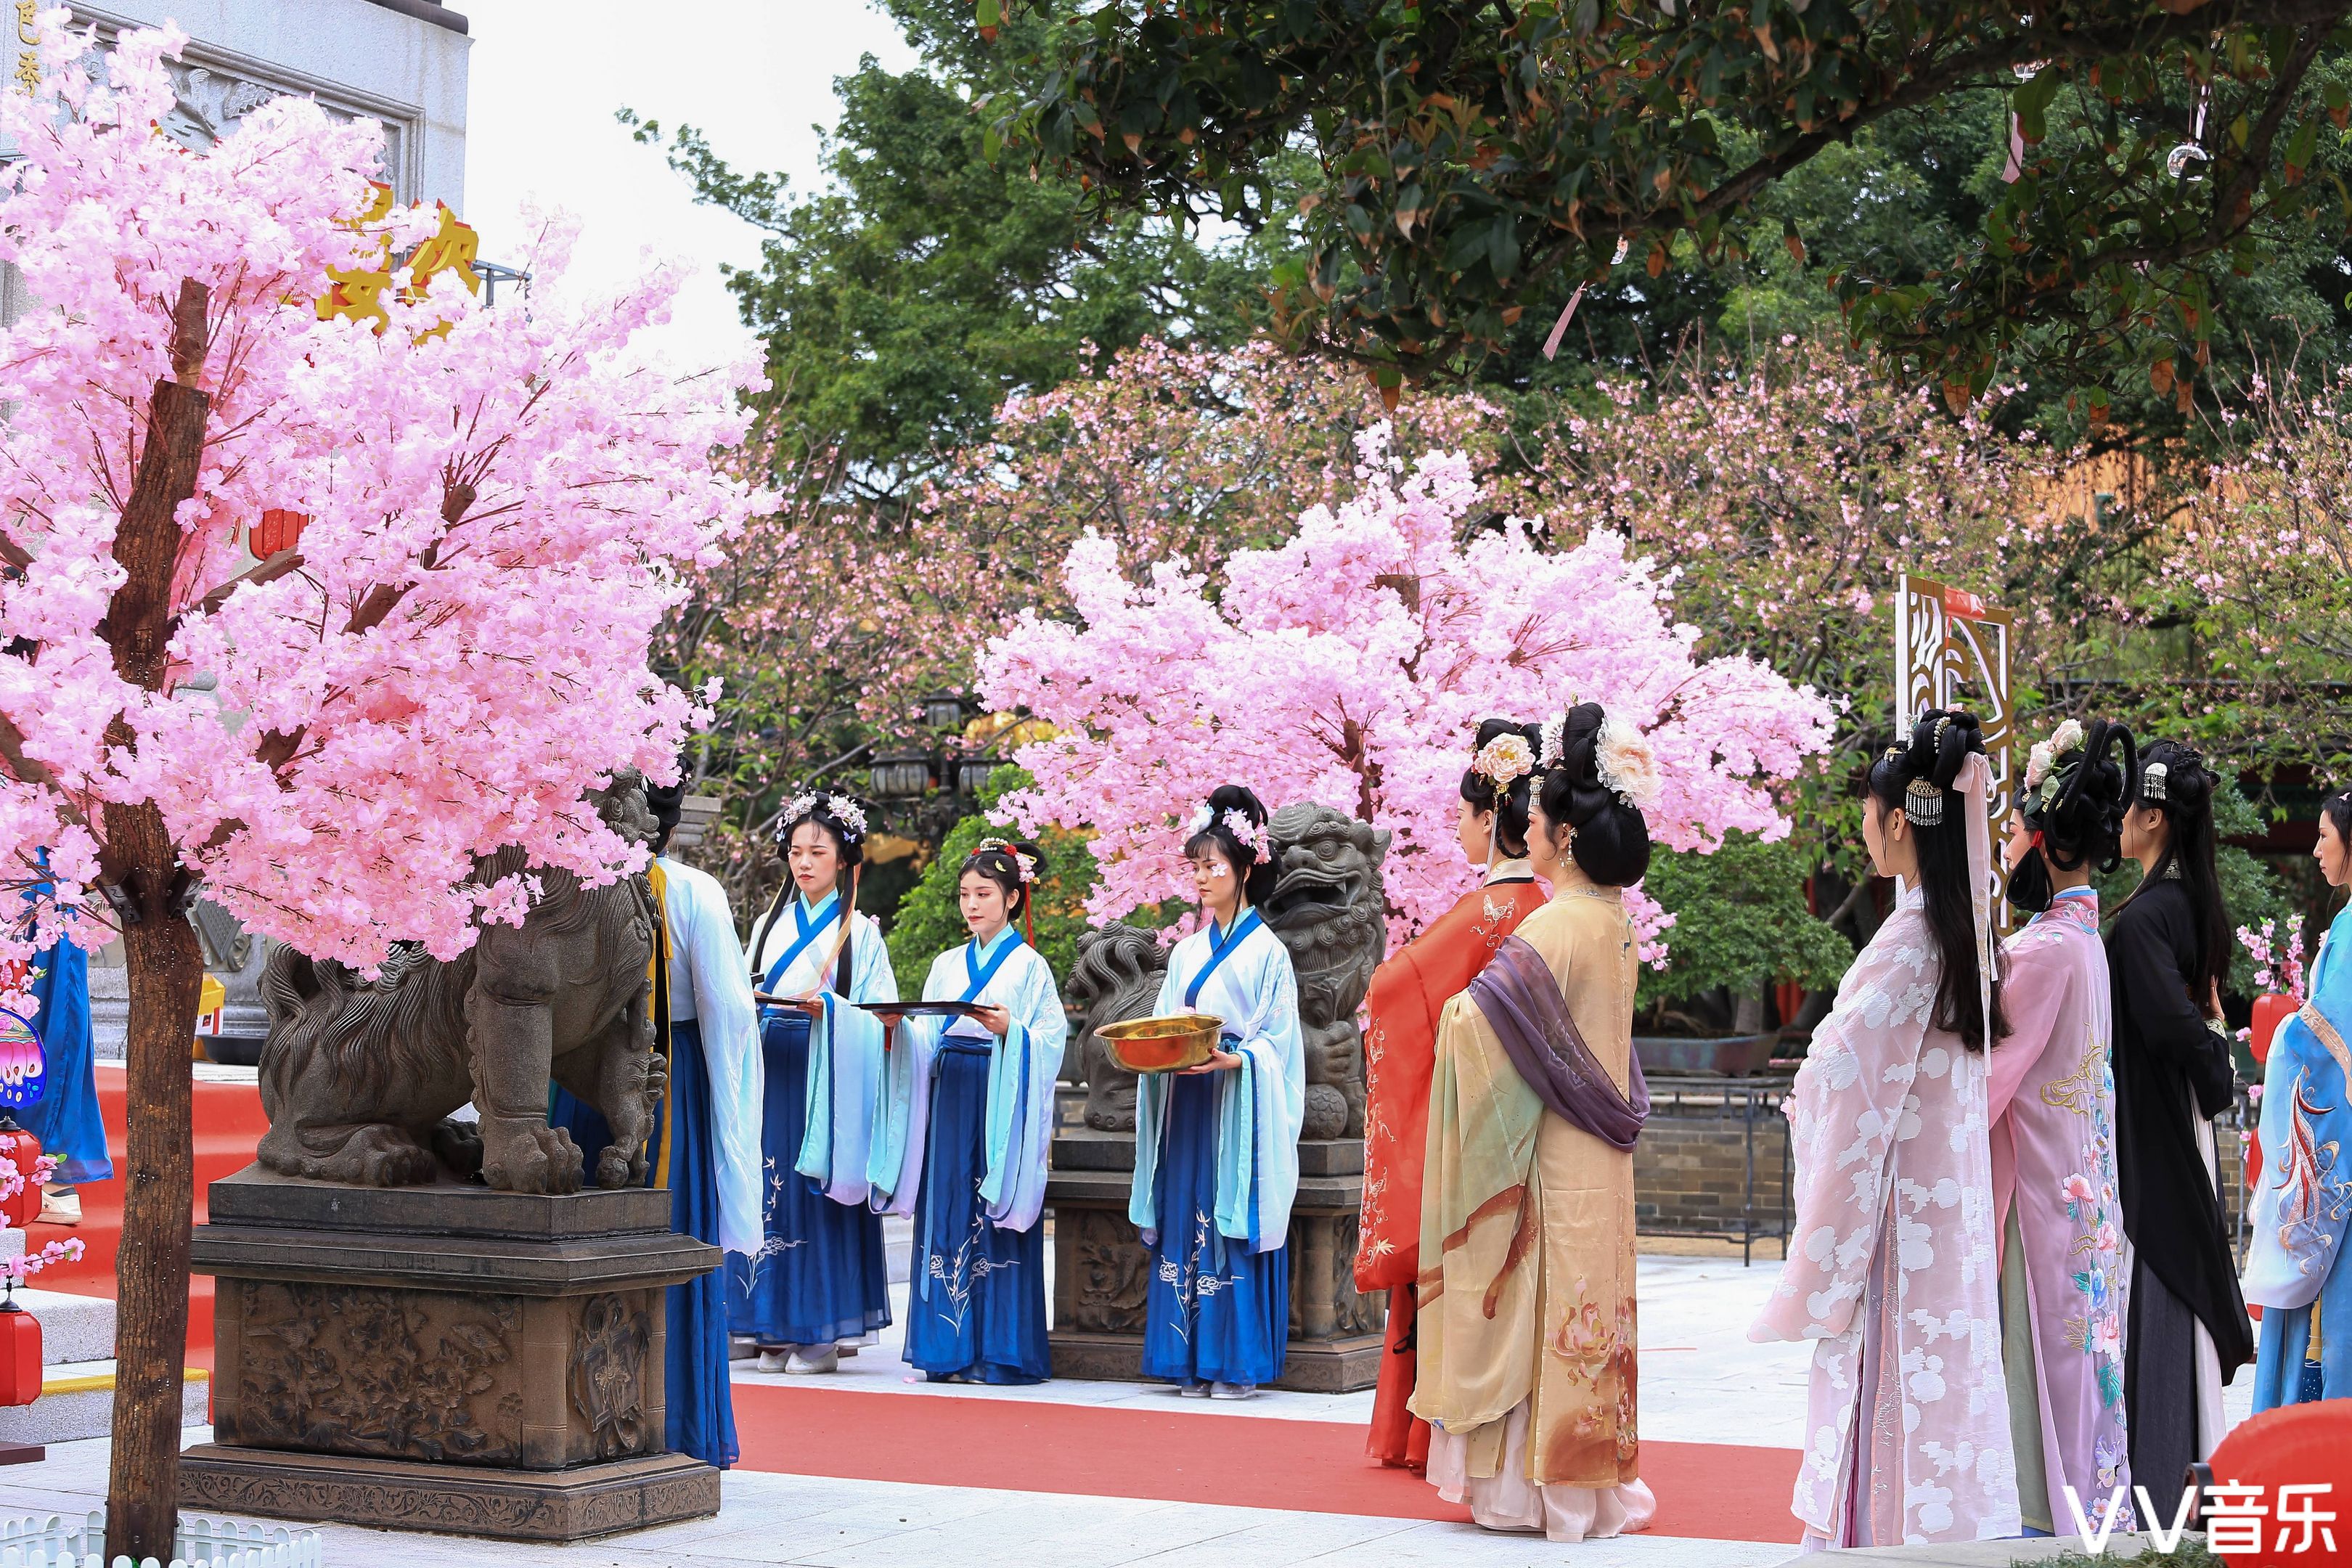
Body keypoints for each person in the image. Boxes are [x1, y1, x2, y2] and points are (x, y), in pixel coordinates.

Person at [1752, 709, 2019, 1549]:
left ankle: (1884, 1543)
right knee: (1942, 1387)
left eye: (1870, 815)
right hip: (1945, 1207)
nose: (1865, 831)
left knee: (1897, 1372)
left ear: (1899, 820)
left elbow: (1844, 1079)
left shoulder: (1911, 943)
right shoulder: (1961, 932)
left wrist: (1807, 1091)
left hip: (1903, 1212)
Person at [1413, 701, 1658, 1543]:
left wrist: (1442, 1018)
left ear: (1563, 841)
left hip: (1553, 1151)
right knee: (1589, 1309)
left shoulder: (1554, 924)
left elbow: (1479, 1027)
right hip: (1605, 1150)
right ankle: (1589, 1488)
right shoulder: (1615, 925)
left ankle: (1532, 1490)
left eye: (1542, 821)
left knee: (1544, 1302)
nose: (1534, 829)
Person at [547, 775, 764, 1467]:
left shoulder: (570, 881)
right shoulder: (693, 891)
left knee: (576, 1232)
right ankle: (677, 1426)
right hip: (667, 1076)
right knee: (670, 1236)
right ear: (671, 826)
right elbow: (728, 1010)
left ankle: (569, 1420)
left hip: (574, 1075)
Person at [1359, 719, 1549, 1471]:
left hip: (1467, 1132)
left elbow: (1393, 992)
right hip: (1529, 1122)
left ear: (1490, 821)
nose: (1457, 830)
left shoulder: (1488, 911)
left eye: (1464, 816)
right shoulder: (1545, 908)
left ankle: (1434, 1428)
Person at [1990, 719, 2135, 1536]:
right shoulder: (2082, 937)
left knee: (2051, 1348)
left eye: (2013, 830)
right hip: (2084, 1182)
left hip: (2048, 1189)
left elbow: (1988, 1078)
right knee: (2084, 1356)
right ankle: (2083, 1498)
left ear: (2042, 842)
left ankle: (2047, 1506)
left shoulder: (2043, 950)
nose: (2007, 843)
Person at [2107, 740, 2251, 1522]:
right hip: (2176, 1123)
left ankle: (2161, 1491)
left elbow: (2170, 1021)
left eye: (2128, 806)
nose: (2118, 820)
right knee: (2176, 1282)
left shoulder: (2143, 920)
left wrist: (2211, 1066)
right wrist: (2211, 1067)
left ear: (2154, 817)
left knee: (2157, 1282)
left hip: (2151, 1133)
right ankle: (2183, 1486)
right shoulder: (2189, 902)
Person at [869, 837, 1067, 1384]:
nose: (972, 904)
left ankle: (999, 1352)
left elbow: (1051, 1039)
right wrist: (898, 1030)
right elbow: (928, 1034)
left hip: (1001, 1091)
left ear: (1011, 899)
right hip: (952, 1089)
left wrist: (1013, 1032)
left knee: (994, 1201)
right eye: (964, 894)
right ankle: (948, 1349)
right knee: (950, 1203)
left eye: (984, 893)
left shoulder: (1030, 966)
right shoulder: (947, 963)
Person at [1132, 785, 1304, 1399]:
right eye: (1196, 865)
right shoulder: (1184, 952)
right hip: (1187, 1100)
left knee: (1228, 1216)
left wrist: (1240, 1060)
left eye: (1214, 865)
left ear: (1246, 868)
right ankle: (1186, 1355)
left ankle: (1232, 1360)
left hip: (1238, 1102)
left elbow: (1281, 1043)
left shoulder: (1270, 952)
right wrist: (1154, 1051)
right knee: (1187, 1213)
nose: (1202, 877)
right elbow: (1161, 1021)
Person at [727, 790, 897, 1376]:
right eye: (796, 851)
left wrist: (834, 1012)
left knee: (813, 1189)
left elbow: (881, 1014)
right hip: (771, 1064)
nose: (804, 863)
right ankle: (768, 1323)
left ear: (844, 859)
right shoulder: (768, 925)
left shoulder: (863, 934)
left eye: (818, 852)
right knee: (766, 1188)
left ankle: (819, 1329)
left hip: (829, 1073)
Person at [2242, 788, 2352, 1410]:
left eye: (2325, 835)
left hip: (2344, 1176)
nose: (2314, 848)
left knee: (2328, 1341)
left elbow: (2319, 1045)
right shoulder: (2344, 926)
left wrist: (2285, 1025)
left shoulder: (2351, 931)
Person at [22, 864, 110, 1220]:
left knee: (42, 1013)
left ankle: (40, 1170)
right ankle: (41, 1171)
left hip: (40, 873)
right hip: (35, 871)